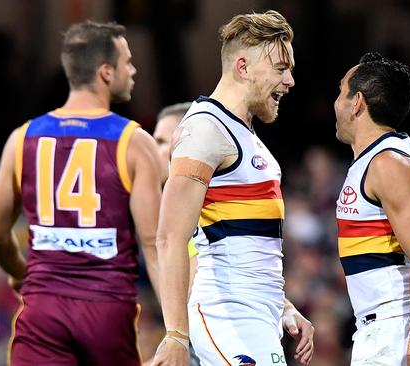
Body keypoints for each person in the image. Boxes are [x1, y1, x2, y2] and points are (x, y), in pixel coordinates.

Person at [0, 21, 162, 365]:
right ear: (106, 72)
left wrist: (21, 272)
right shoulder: (134, 142)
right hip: (108, 311)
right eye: (128, 61)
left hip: (42, 310)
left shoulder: (22, 138)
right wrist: (177, 332)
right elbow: (154, 245)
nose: (134, 69)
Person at [151, 10, 314, 366]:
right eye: (281, 68)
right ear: (243, 67)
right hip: (228, 313)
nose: (290, 81)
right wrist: (176, 335)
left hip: (258, 312)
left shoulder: (246, 135)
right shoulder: (206, 129)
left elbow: (248, 242)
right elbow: (170, 237)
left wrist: (283, 305)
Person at [333, 52, 410, 365]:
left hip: (398, 330)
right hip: (389, 328)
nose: (335, 103)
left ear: (357, 102)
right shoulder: (377, 161)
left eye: (340, 92)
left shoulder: (389, 164)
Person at [153, 102, 201, 366]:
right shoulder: (167, 202)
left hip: (210, 342)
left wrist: (177, 336)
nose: (152, 150)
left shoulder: (202, 199)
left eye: (161, 141)